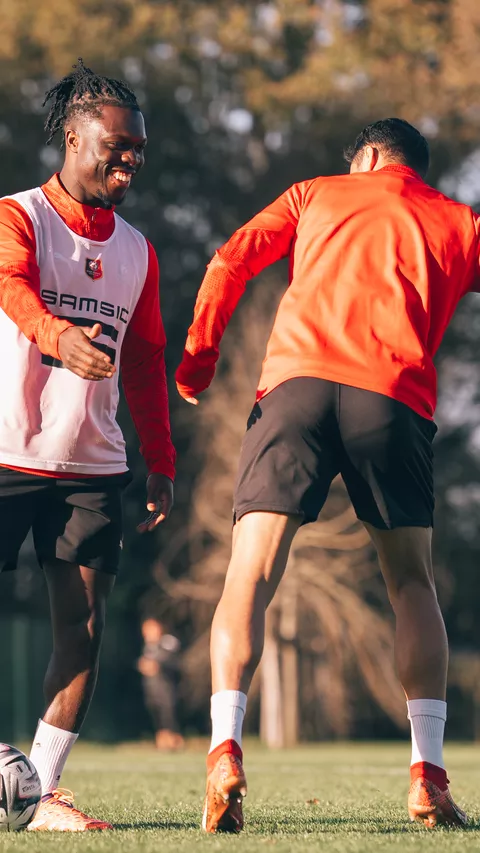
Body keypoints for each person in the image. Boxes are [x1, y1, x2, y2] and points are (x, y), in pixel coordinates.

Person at [176, 118, 480, 833]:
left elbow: (230, 260)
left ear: (368, 156)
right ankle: (428, 775)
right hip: (392, 401)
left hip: (296, 391)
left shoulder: (314, 192)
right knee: (412, 585)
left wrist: (198, 359)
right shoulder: (460, 222)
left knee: (250, 573)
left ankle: (224, 749)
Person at [0, 60, 175, 831]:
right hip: (7, 451)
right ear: (73, 139)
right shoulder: (17, 215)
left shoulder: (139, 249)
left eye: (138, 149)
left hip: (92, 466)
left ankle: (38, 792)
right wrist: (57, 335)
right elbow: (11, 286)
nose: (129, 160)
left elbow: (146, 359)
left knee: (86, 627)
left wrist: (161, 460)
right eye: (116, 146)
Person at [137, 617, 184, 750]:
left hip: (168, 688)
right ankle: (162, 741)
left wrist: (157, 664)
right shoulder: (149, 647)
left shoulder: (168, 642)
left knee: (169, 715)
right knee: (156, 714)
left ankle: (175, 741)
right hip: (152, 688)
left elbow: (171, 660)